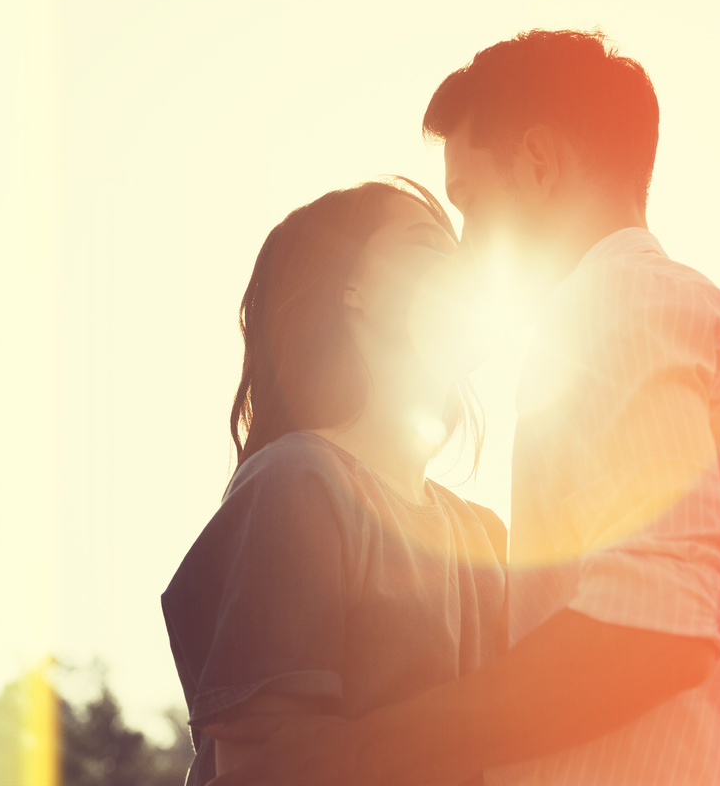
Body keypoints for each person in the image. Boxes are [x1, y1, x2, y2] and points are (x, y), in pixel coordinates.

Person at [206, 29, 720, 786]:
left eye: (470, 203)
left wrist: (355, 753)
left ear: (539, 162)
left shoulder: (617, 306)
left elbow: (654, 623)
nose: (469, 247)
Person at [161, 178, 508, 786]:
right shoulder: (298, 484)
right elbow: (267, 769)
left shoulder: (484, 536)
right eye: (431, 243)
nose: (466, 263)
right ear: (353, 292)